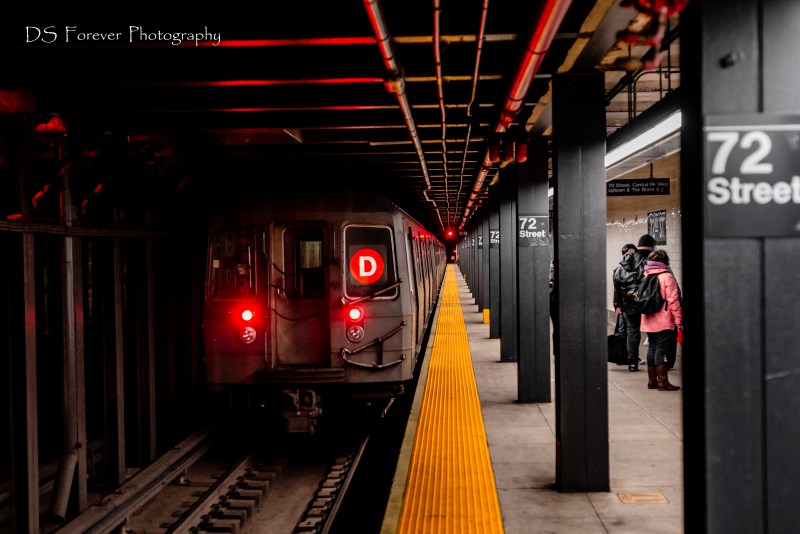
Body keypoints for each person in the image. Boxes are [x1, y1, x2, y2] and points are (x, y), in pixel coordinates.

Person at [639, 249, 683, 391]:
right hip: (663, 320)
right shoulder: (667, 276)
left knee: (652, 347)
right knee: (661, 350)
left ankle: (652, 381)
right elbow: (673, 301)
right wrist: (679, 320)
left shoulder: (646, 274)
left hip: (648, 318)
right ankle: (662, 382)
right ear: (665, 261)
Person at [612, 234, 656, 372]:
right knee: (653, 332)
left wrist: (618, 304)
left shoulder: (625, 263)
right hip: (648, 303)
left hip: (629, 303)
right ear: (652, 247)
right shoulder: (652, 261)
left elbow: (617, 283)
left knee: (632, 332)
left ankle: (632, 363)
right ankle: (656, 362)